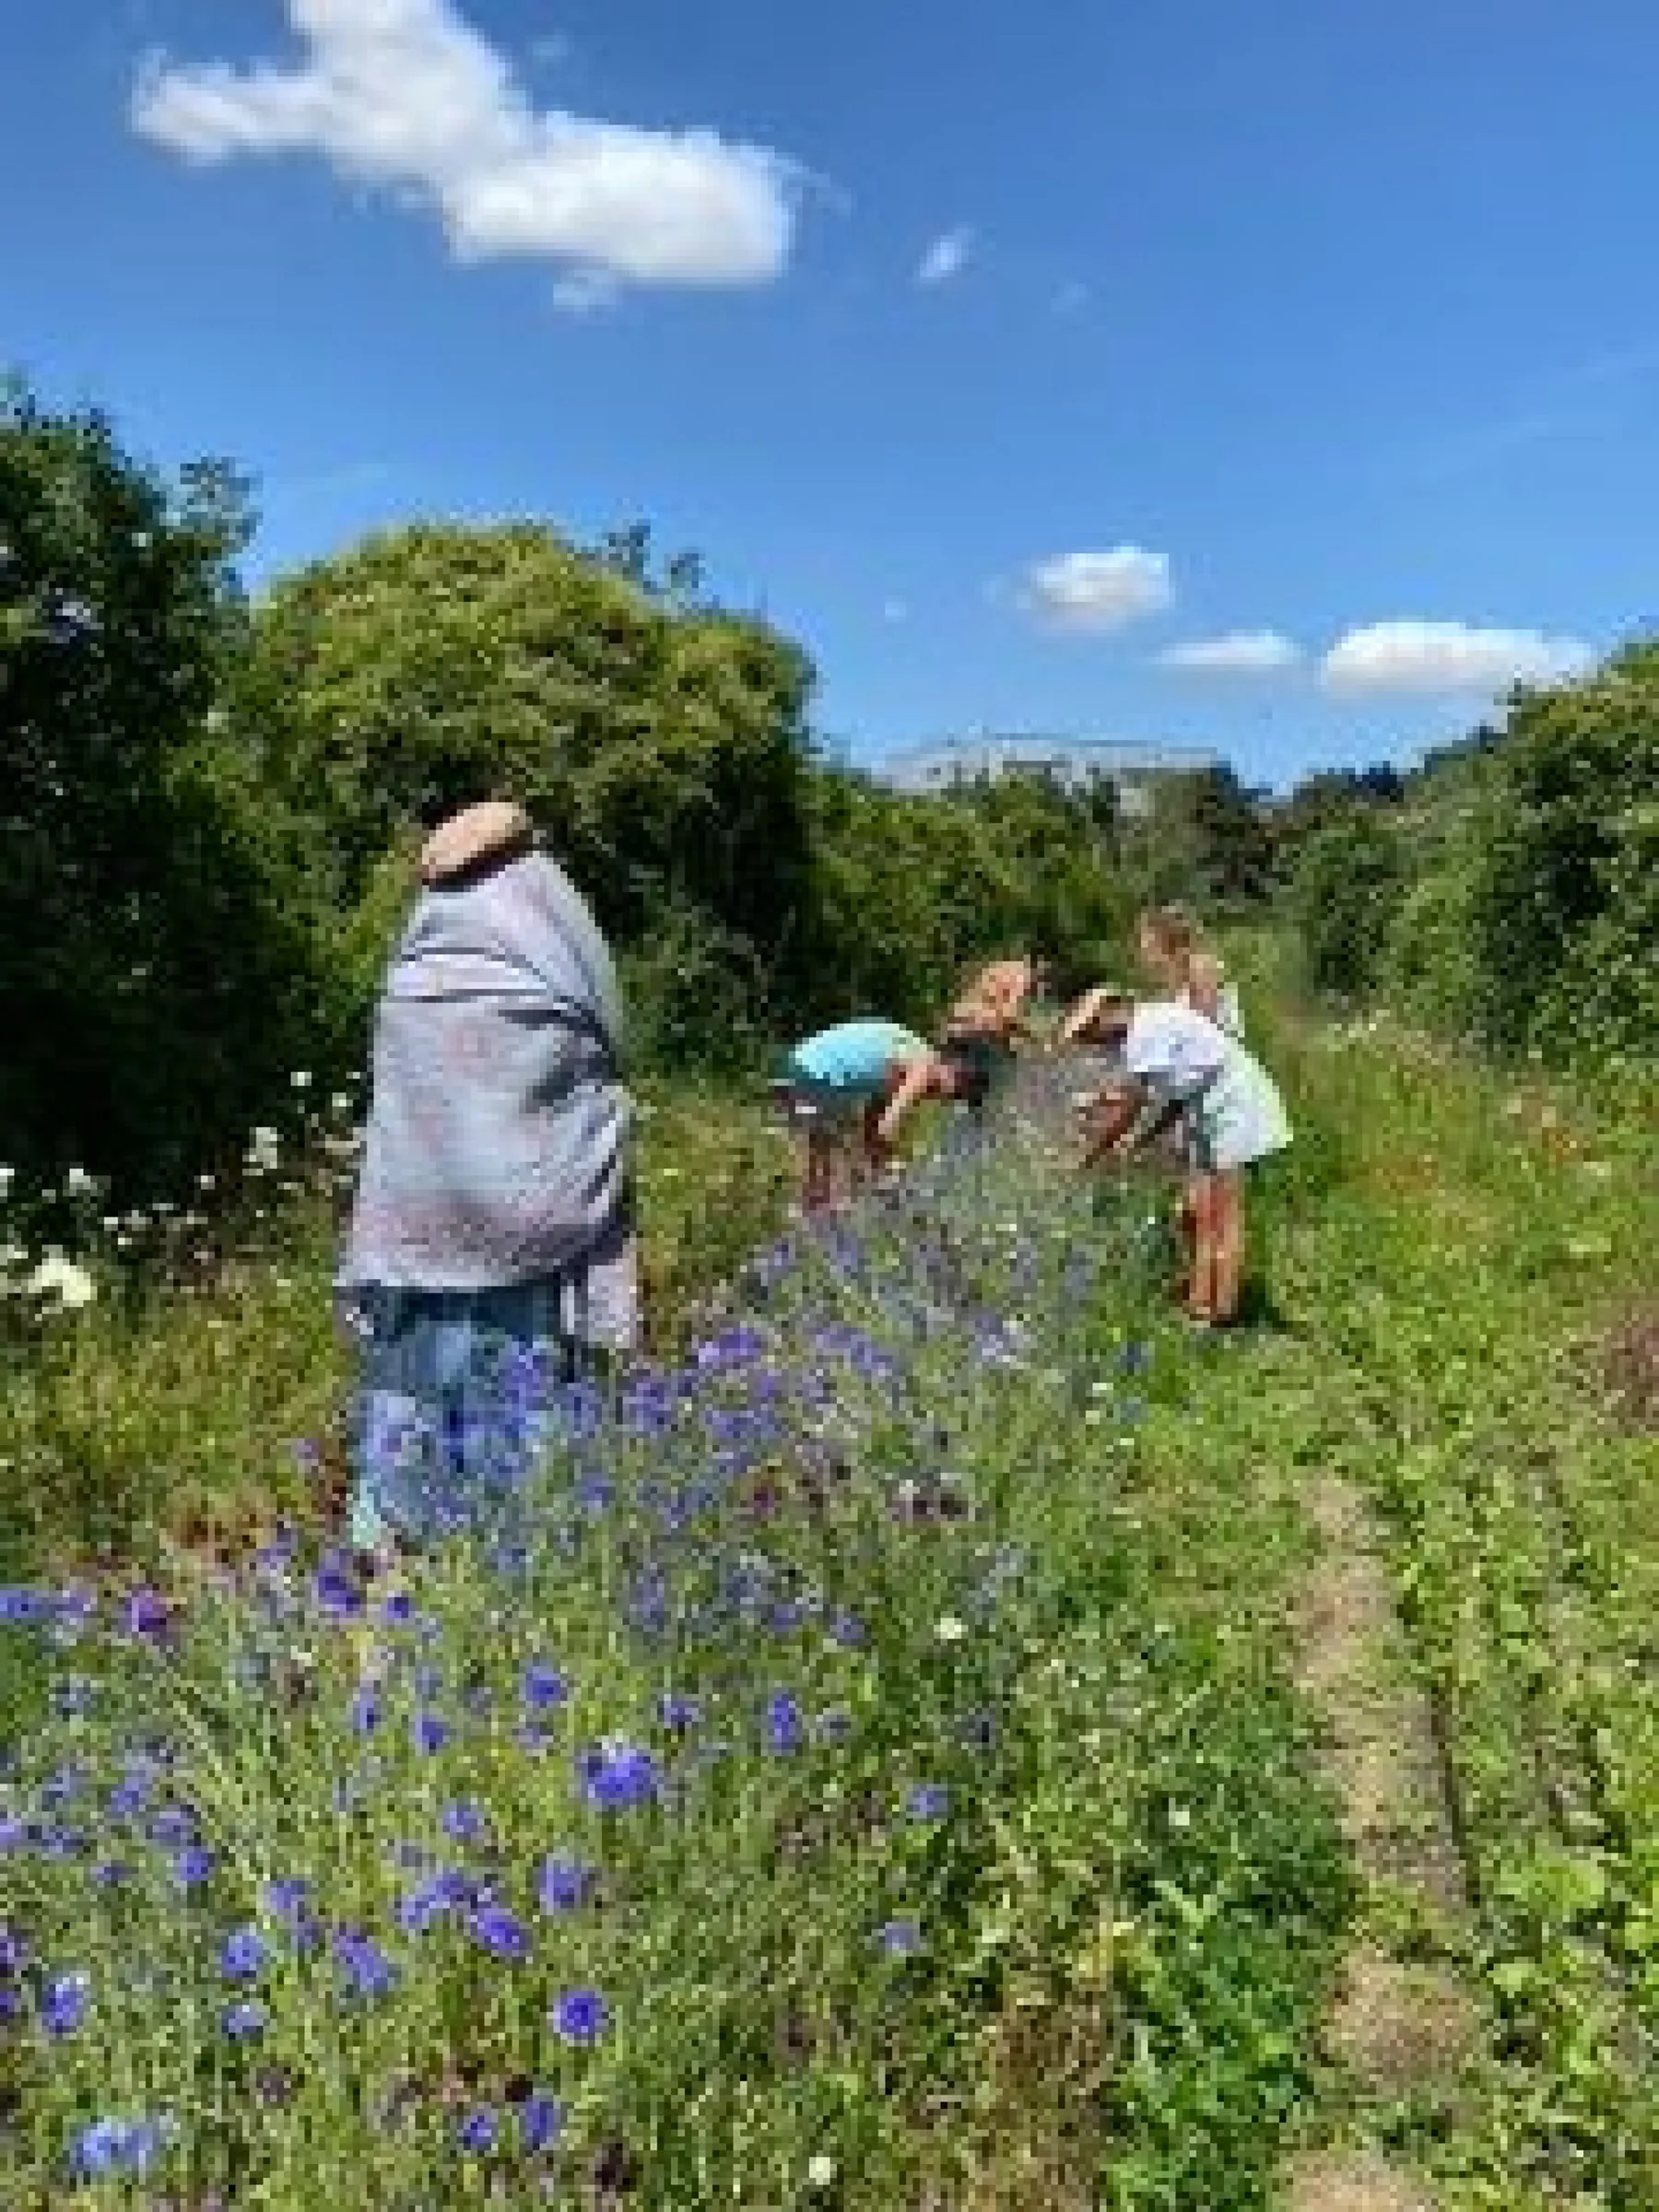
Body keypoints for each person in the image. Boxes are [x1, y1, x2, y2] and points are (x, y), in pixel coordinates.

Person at [335, 800, 636, 1562]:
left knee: (409, 1383)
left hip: (416, 1223)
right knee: (525, 1395)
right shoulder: (551, 920)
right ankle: (517, 1555)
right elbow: (606, 1046)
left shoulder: (420, 947)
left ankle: (393, 1546)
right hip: (529, 1232)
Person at [1060, 986, 1290, 1327]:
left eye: (1091, 1034)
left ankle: (1220, 1315)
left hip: (1233, 1104)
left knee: (1223, 1216)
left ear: (1107, 1015)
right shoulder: (1150, 1024)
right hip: (1209, 1106)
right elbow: (1174, 1098)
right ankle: (1198, 1305)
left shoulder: (1143, 1032)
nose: (1095, 1044)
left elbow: (1131, 1105)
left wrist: (1090, 1156)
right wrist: (1140, 1141)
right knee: (1199, 1212)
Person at [771, 1016, 994, 1212]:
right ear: (953, 1070)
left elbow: (872, 1125)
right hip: (816, 1074)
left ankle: (814, 1207)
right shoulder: (923, 1066)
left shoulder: (907, 1056)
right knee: (824, 1150)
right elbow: (887, 1127)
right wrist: (894, 1170)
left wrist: (877, 1170)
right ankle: (814, 1211)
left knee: (821, 1146)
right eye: (955, 1094)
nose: (943, 1100)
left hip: (797, 1066)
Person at [1135, 907, 1243, 1034]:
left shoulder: (1200, 969)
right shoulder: (1174, 973)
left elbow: (1206, 1024)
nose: (1144, 948)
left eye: (1149, 943)